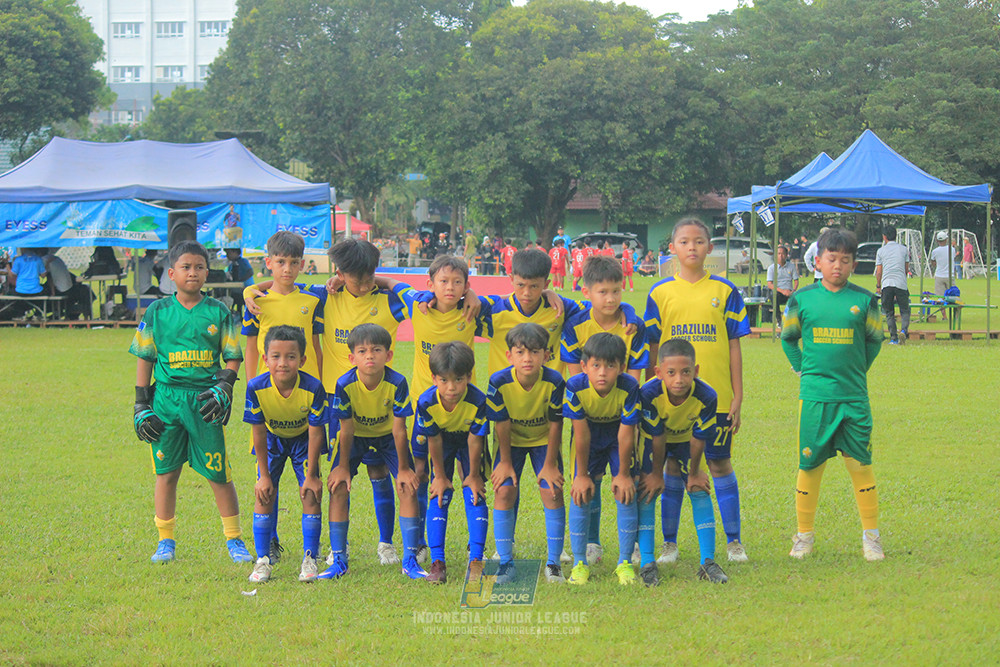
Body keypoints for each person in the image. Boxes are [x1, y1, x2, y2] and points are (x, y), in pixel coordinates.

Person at [129, 240, 250, 565]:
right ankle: (165, 541)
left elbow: (233, 356)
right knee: (166, 473)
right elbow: (144, 357)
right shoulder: (157, 312)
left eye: (199, 267)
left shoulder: (219, 311)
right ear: (171, 273)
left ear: (207, 272)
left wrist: (225, 386)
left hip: (204, 400)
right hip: (167, 400)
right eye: (185, 267)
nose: (192, 273)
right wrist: (141, 403)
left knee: (218, 473)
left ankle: (234, 539)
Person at [644, 217, 750, 564]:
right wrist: (648, 393)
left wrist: (737, 394)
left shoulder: (725, 291)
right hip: (670, 401)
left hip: (714, 397)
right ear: (671, 248)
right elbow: (652, 348)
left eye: (699, 241)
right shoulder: (659, 293)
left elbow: (734, 344)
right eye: (685, 242)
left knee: (719, 463)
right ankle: (670, 544)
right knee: (673, 467)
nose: (692, 247)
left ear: (711, 247)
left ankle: (733, 541)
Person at [780, 228, 884, 562]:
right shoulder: (802, 299)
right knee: (810, 464)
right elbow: (788, 338)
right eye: (831, 259)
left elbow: (874, 342)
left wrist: (854, 371)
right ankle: (804, 536)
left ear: (853, 264)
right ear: (818, 261)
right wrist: (803, 371)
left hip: (853, 398)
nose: (837, 266)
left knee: (861, 465)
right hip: (815, 398)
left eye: (845, 260)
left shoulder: (866, 301)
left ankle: (871, 537)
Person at [321, 323, 428, 580]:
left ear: (388, 355)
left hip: (388, 438)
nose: (369, 356)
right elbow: (345, 430)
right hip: (355, 437)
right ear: (352, 358)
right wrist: (343, 467)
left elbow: (400, 430)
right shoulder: (344, 384)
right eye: (362, 351)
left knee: (407, 486)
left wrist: (403, 468)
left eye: (376, 350)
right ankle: (339, 558)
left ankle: (410, 559)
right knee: (337, 486)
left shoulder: (397, 382)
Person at [241, 231, 323, 562]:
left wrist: (322, 386)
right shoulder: (255, 302)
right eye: (280, 262)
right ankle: (270, 542)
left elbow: (316, 347)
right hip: (268, 397)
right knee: (267, 475)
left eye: (293, 263)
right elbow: (250, 346)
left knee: (309, 474)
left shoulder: (313, 300)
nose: (286, 269)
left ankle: (311, 550)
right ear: (269, 263)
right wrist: (252, 387)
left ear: (302, 264)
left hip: (307, 398)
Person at [636, 338, 724, 585]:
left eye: (686, 372)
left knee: (698, 490)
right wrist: (655, 474)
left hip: (687, 442)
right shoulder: (649, 394)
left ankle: (707, 562)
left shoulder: (707, 396)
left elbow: (699, 438)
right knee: (647, 492)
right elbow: (657, 435)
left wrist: (694, 472)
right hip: (654, 441)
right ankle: (646, 562)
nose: (679, 380)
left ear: (696, 371)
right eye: (671, 373)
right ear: (658, 372)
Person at [245, 326, 328, 583]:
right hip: (272, 440)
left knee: (311, 493)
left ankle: (310, 558)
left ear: (302, 360)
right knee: (264, 492)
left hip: (304, 440)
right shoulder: (255, 387)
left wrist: (312, 474)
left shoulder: (313, 387)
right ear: (266, 359)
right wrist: (264, 475)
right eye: (276, 356)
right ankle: (263, 560)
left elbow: (316, 433)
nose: (283, 363)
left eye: (291, 357)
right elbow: (258, 433)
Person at [487, 323, 566, 584]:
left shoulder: (554, 381)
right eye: (520, 352)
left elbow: (556, 423)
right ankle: (506, 562)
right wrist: (506, 463)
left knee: (552, 490)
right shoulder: (498, 382)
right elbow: (502, 424)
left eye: (534, 352)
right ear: (509, 356)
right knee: (504, 489)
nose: (528, 359)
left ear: (546, 354)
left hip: (544, 440)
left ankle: (554, 563)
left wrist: (551, 464)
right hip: (511, 442)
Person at [563, 333, 641, 586]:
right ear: (584, 366)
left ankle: (625, 561)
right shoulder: (575, 386)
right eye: (596, 365)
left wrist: (624, 474)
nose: (603, 372)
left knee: (625, 491)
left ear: (621, 367)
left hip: (618, 436)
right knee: (581, 492)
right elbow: (581, 433)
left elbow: (627, 433)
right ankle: (579, 563)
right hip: (588, 436)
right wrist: (581, 475)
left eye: (610, 365)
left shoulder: (629, 387)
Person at [415, 341, 490, 584]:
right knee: (440, 493)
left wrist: (475, 475)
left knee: (474, 492)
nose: (452, 387)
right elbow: (434, 440)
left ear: (469, 376)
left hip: (469, 441)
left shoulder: (478, 400)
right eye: (444, 380)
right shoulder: (426, 403)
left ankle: (476, 560)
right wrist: (439, 476)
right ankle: (438, 562)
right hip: (442, 442)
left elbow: (475, 440)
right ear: (434, 378)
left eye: (458, 379)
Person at [479, 248, 579, 379]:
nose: (526, 292)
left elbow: (599, 307)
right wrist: (469, 294)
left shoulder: (560, 307)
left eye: (534, 286)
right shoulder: (494, 310)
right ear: (511, 279)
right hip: (504, 397)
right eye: (521, 285)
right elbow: (454, 302)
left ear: (546, 284)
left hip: (549, 397)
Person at [562, 254, 648, 383]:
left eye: (616, 291)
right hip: (587, 399)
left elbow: (633, 382)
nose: (611, 299)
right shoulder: (573, 326)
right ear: (586, 292)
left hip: (622, 399)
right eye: (603, 292)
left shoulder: (635, 326)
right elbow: (577, 381)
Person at [875, 227, 911, 345]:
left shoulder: (881, 251)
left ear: (884, 236)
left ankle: (893, 338)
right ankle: (904, 331)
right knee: (905, 310)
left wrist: (878, 285)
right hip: (901, 283)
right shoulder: (904, 249)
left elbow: (879, 271)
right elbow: (906, 269)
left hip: (887, 284)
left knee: (889, 312)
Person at [7, 248, 47, 318]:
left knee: (9, 294)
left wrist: (7, 264)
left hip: (20, 290)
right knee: (46, 291)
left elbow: (12, 275)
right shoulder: (38, 259)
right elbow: (43, 275)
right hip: (35, 290)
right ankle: (38, 314)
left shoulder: (18, 260)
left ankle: (19, 313)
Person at [766, 245, 798, 326]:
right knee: (774, 295)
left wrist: (793, 291)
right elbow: (770, 284)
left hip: (789, 292)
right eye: (779, 254)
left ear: (786, 255)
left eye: (783, 254)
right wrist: (782, 291)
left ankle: (792, 320)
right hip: (778, 292)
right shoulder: (771, 268)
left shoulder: (791, 266)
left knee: (798, 298)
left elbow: (796, 281)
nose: (781, 256)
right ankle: (779, 320)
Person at [929, 230, 956, 295]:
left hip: (939, 275)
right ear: (946, 239)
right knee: (952, 297)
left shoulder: (935, 251)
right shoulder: (952, 249)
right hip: (950, 275)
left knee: (940, 298)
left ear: (937, 240)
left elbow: (933, 263)